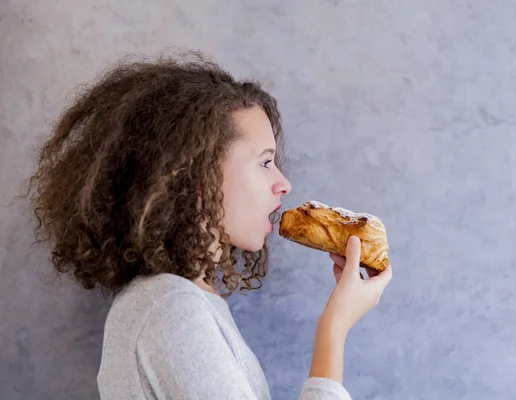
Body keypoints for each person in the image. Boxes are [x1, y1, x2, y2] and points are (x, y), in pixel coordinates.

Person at [25, 51, 393, 399]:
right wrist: (334, 327)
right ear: (196, 174)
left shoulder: (185, 301)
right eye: (264, 163)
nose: (284, 183)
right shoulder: (171, 308)